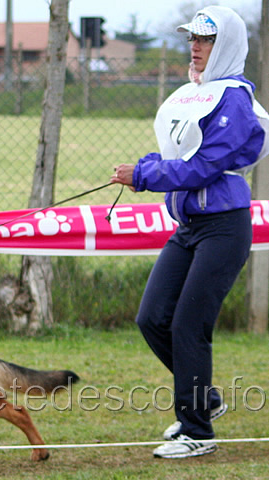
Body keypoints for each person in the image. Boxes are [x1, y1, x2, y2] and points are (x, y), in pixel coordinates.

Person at [110, 6, 269, 459]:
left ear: (228, 46)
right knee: (152, 317)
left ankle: (197, 432)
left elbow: (202, 167)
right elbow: (178, 151)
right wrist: (148, 165)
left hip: (223, 228)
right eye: (192, 39)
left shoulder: (234, 99)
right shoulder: (193, 93)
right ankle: (206, 400)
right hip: (188, 227)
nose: (195, 47)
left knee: (187, 326)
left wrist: (143, 175)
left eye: (206, 40)